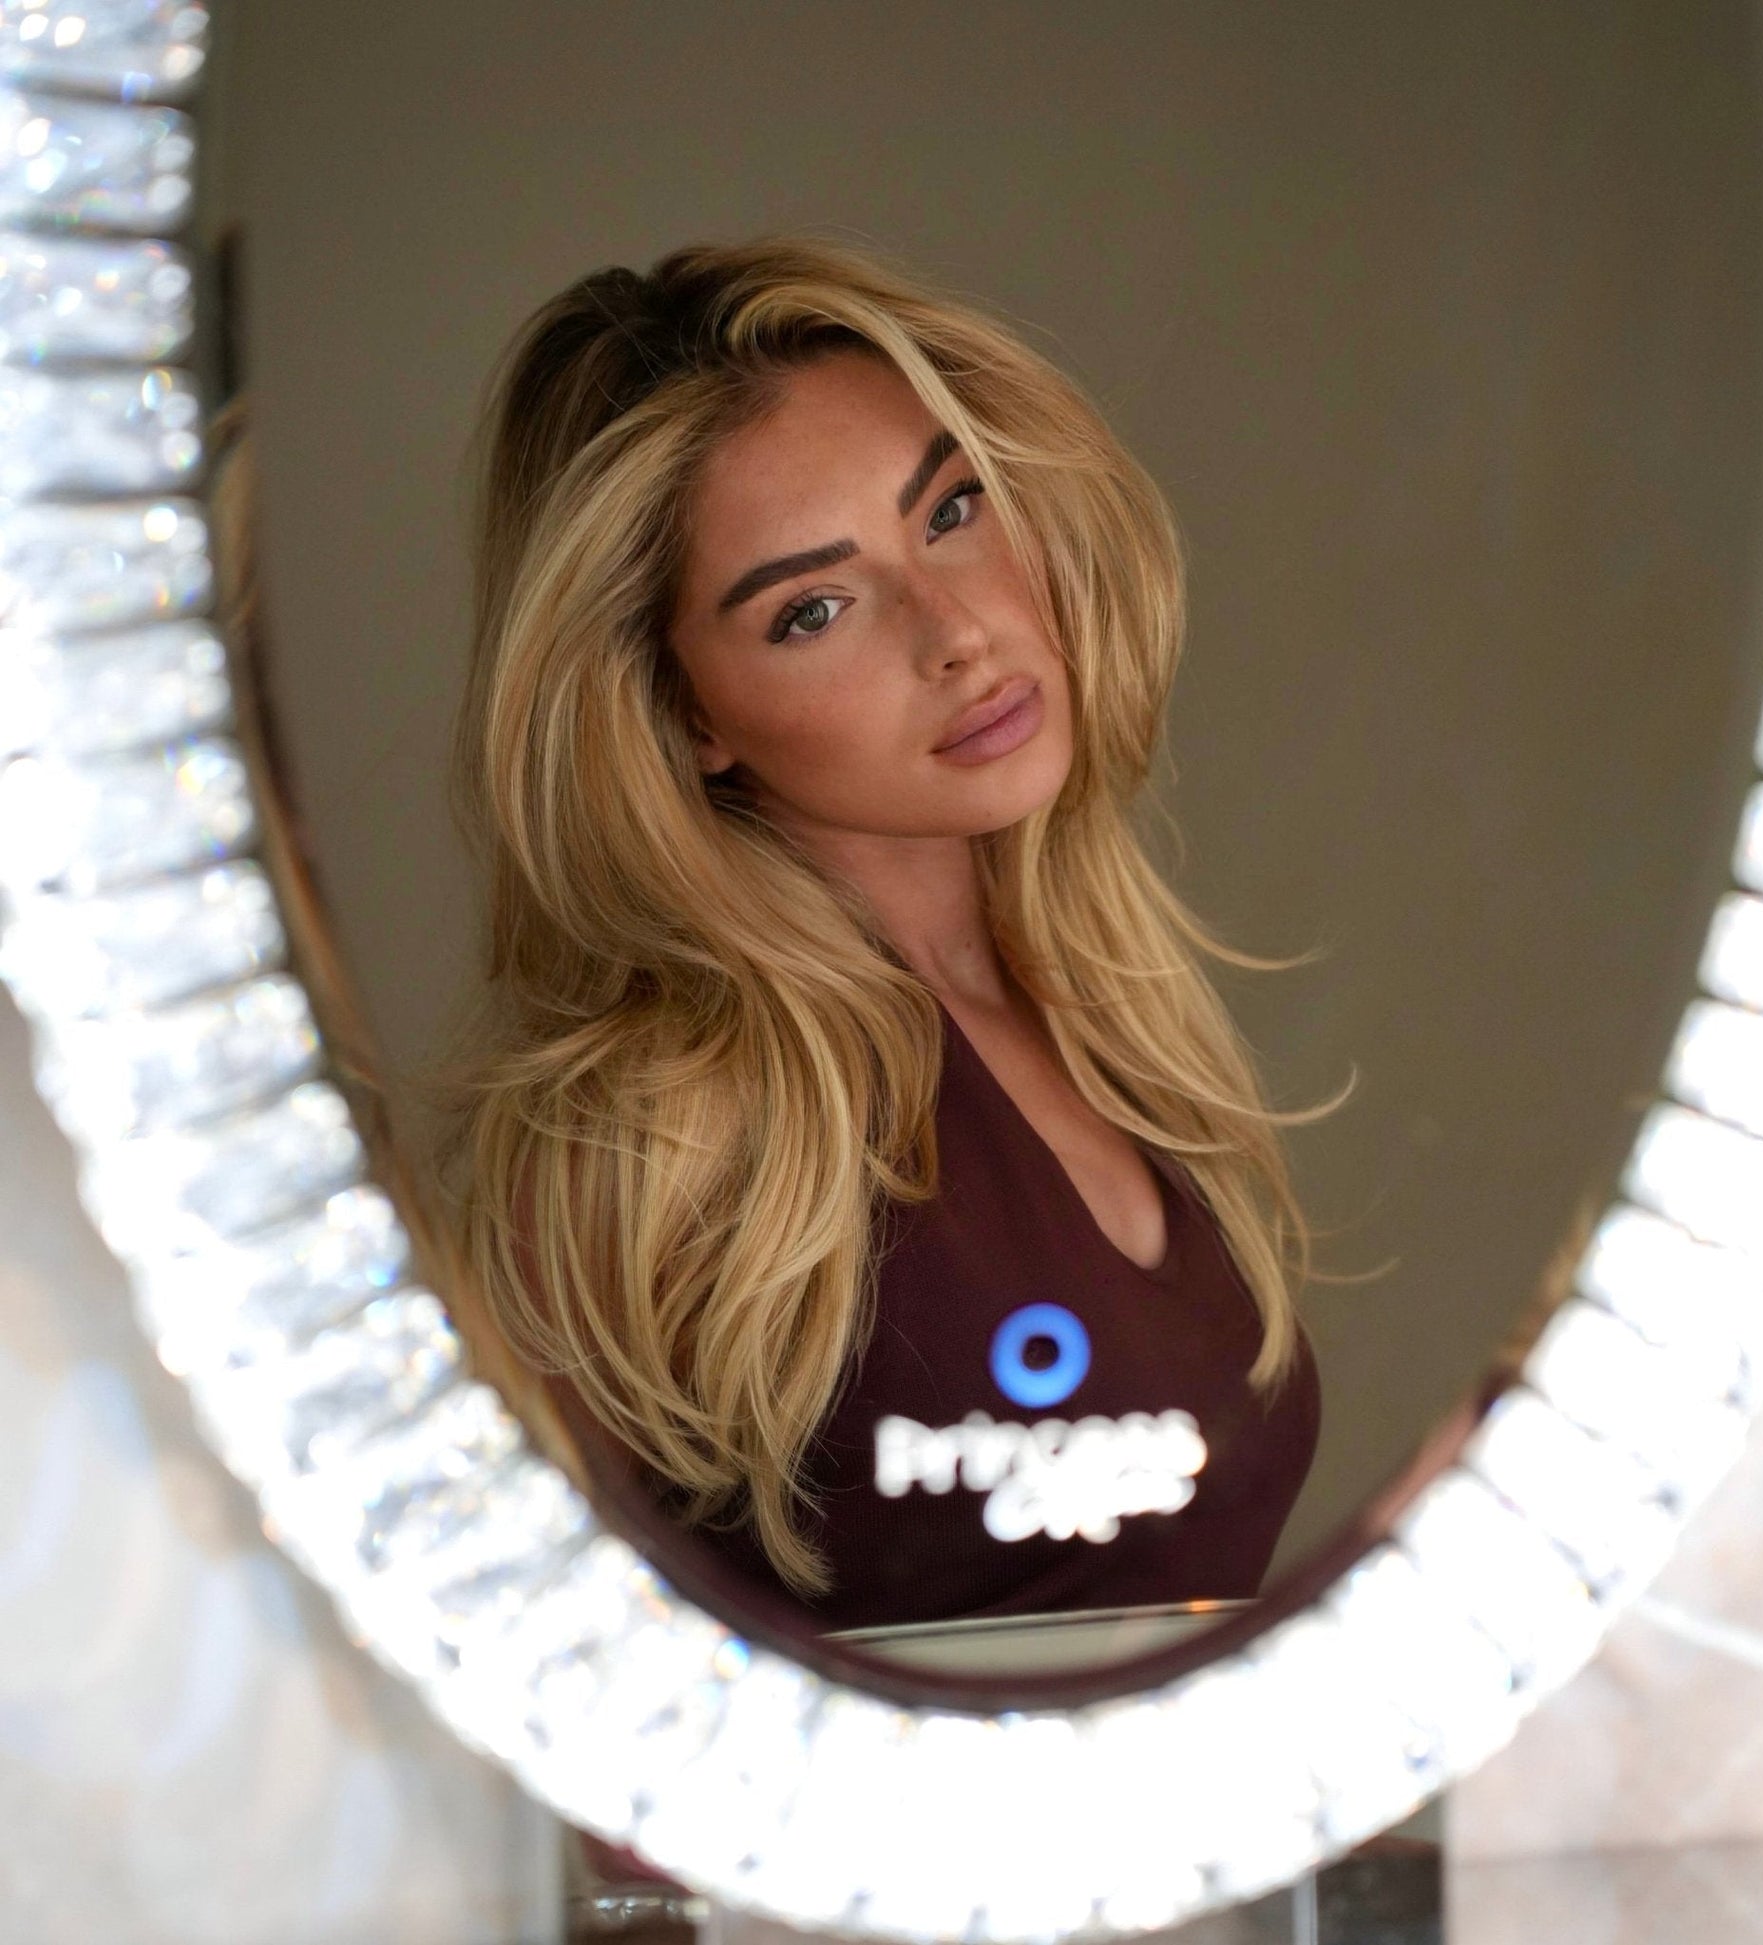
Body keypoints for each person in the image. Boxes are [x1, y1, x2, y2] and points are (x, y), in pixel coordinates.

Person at [449, 235, 1323, 1635]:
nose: (954, 630)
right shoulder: (657, 1132)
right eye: (812, 608)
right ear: (686, 715)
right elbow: (507, 1667)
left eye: (953, 509)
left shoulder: (1105, 1018)